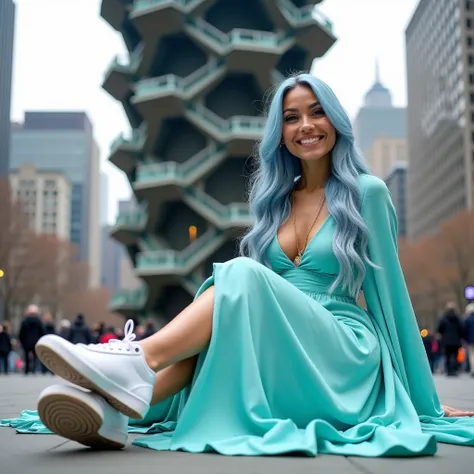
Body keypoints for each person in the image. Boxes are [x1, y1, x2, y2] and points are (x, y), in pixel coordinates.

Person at [4, 73, 474, 456]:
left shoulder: (366, 193)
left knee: (242, 274)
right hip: (277, 334)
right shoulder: (274, 203)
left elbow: (390, 297)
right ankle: (117, 409)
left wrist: (421, 399)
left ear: (336, 121)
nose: (306, 126)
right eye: (291, 118)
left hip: (341, 345)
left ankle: (136, 360)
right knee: (224, 308)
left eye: (317, 112)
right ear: (280, 133)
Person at [437, 302, 464, 376]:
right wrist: (461, 336)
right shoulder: (457, 318)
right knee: (455, 355)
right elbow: (461, 328)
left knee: (447, 355)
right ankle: (454, 369)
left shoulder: (443, 318)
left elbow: (439, 328)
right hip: (456, 340)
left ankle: (449, 370)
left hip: (446, 340)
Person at [18, 304, 45, 375]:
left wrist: (21, 341)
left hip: (26, 342)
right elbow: (42, 332)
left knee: (26, 357)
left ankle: (26, 370)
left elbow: (21, 333)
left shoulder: (24, 321)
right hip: (36, 341)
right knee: (35, 357)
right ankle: (33, 370)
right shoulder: (39, 322)